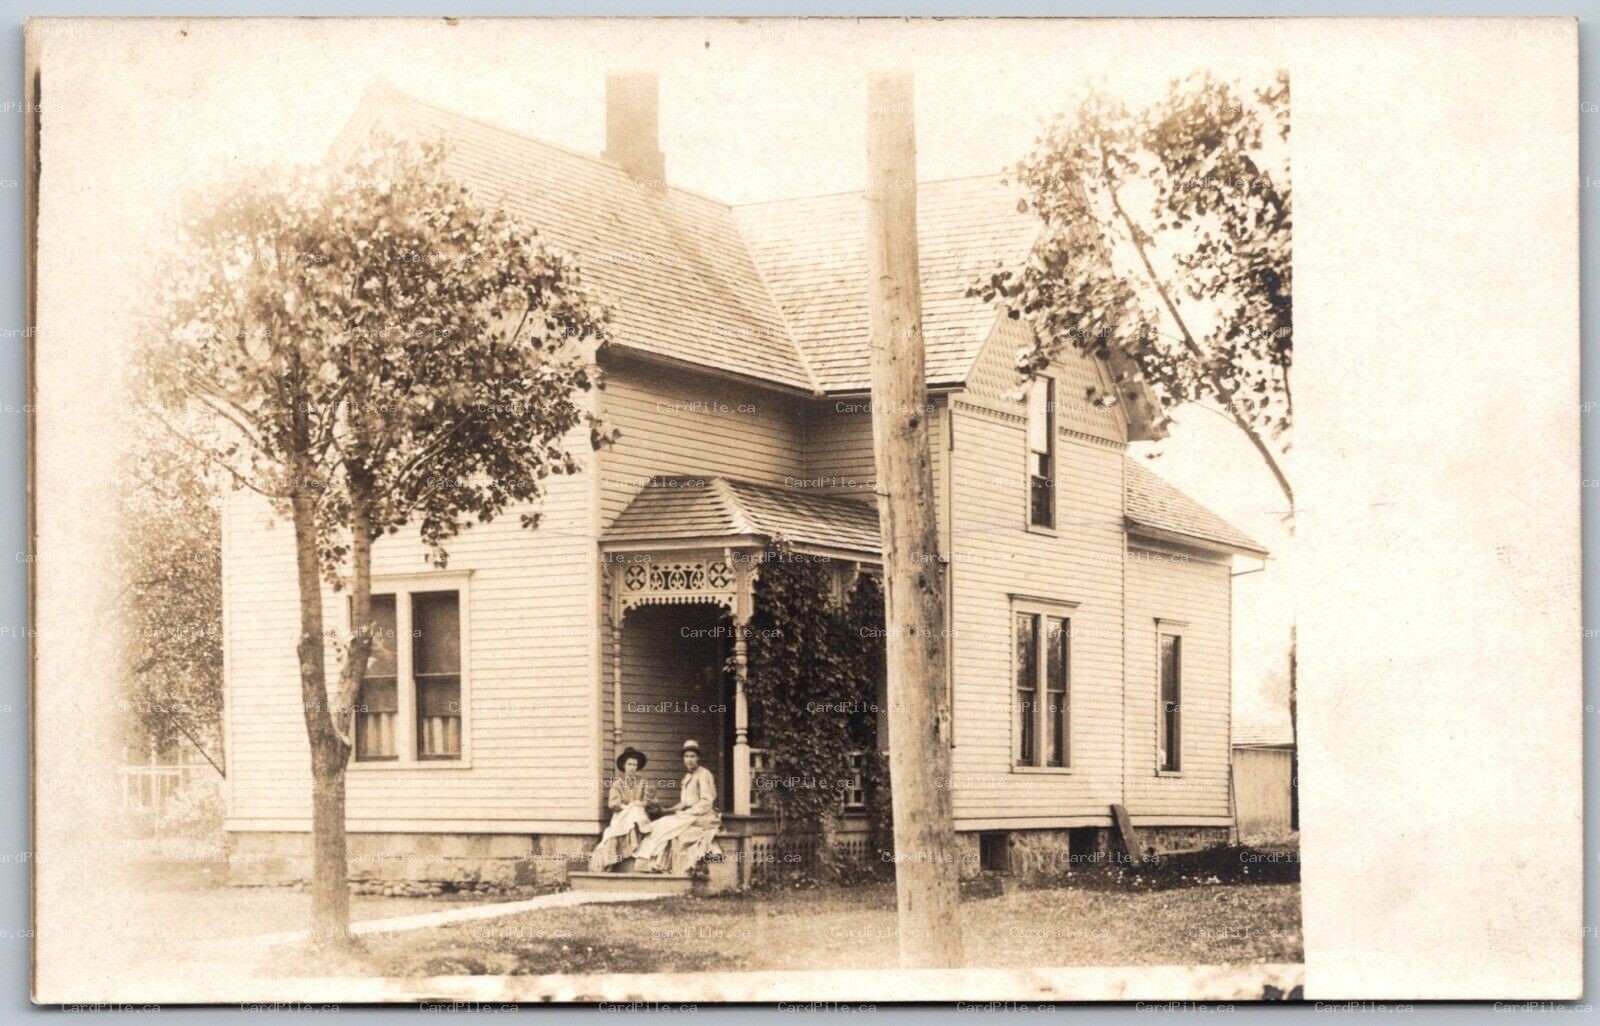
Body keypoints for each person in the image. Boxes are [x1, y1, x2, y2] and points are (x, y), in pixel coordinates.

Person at [632, 739, 723, 875]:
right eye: (686, 756)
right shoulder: (687, 777)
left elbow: (706, 802)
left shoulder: (704, 774)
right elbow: (685, 802)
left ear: (698, 758)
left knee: (667, 825)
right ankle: (647, 862)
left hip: (704, 816)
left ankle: (657, 863)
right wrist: (668, 810)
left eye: (692, 756)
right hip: (690, 815)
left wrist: (687, 814)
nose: (689, 760)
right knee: (660, 824)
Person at [587, 747, 655, 872]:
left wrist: (640, 803)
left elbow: (649, 800)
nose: (632, 767)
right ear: (624, 766)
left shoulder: (643, 782)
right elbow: (613, 803)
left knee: (636, 812)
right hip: (622, 814)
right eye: (629, 764)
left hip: (639, 815)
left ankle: (633, 847)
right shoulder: (617, 784)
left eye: (634, 764)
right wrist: (626, 807)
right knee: (624, 820)